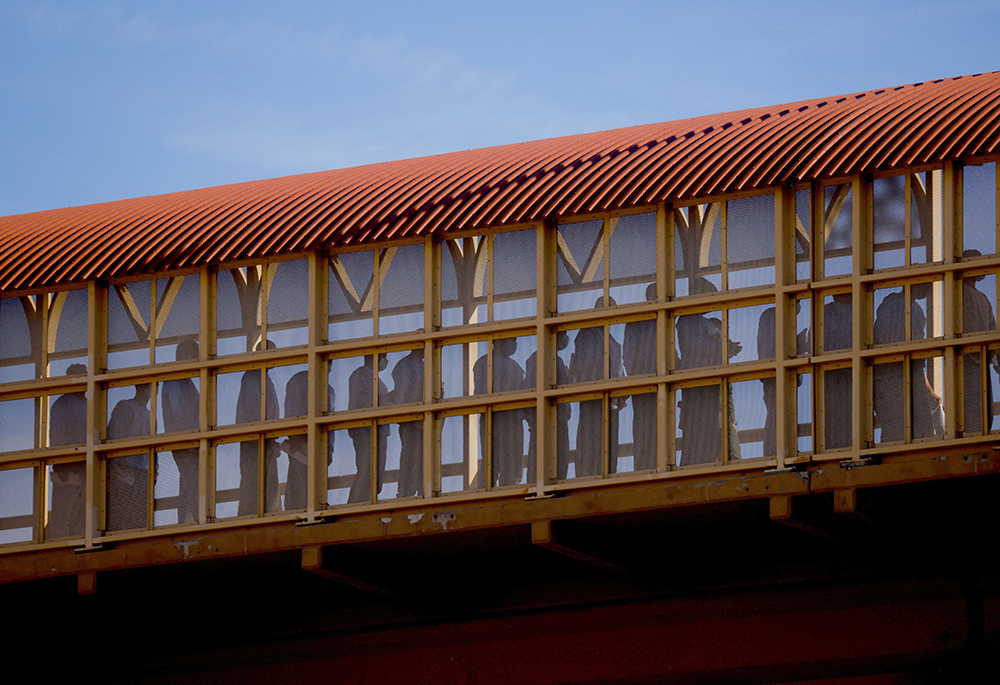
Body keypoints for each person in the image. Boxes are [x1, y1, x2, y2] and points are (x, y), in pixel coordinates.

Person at [676, 279, 741, 464]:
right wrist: (724, 347)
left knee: (712, 431)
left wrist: (726, 347)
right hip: (698, 383)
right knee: (700, 434)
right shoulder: (687, 319)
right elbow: (694, 345)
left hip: (711, 384)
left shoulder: (701, 320)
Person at [872, 285, 937, 442]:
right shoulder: (896, 304)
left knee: (904, 427)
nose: (927, 290)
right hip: (894, 375)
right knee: (903, 427)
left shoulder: (914, 309)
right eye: (925, 285)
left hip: (900, 374)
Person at [568, 298, 623, 477]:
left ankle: (608, 472)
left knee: (609, 439)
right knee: (591, 437)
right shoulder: (587, 333)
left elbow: (617, 367)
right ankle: (589, 473)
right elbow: (588, 365)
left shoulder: (611, 339)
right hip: (594, 396)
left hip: (611, 398)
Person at [757, 303, 810, 457]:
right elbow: (775, 349)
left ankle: (783, 449)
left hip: (778, 376)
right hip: (776, 377)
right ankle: (777, 451)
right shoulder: (773, 317)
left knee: (782, 415)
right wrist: (798, 344)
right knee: (777, 415)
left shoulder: (775, 318)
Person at [236, 340, 280, 515]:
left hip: (261, 439)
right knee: (255, 483)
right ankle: (254, 515)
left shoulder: (260, 375)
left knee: (262, 482)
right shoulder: (254, 376)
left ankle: (262, 513)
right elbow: (256, 412)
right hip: (256, 441)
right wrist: (267, 436)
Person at [474, 338, 525, 486]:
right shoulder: (485, 363)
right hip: (494, 416)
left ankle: (511, 484)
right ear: (499, 343)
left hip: (513, 418)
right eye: (511, 341)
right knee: (493, 454)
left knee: (514, 455)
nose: (514, 344)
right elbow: (481, 391)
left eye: (515, 341)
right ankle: (488, 485)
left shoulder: (515, 366)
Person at [281, 370, 335, 511]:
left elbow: (331, 421)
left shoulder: (328, 388)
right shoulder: (300, 380)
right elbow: (292, 411)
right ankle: (297, 509)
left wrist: (329, 449)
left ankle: (314, 506)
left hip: (319, 441)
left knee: (313, 479)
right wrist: (294, 437)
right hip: (302, 439)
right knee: (299, 478)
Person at [160, 340, 200, 524]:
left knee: (192, 479)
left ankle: (191, 516)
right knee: (190, 478)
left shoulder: (185, 379)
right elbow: (177, 412)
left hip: (188, 441)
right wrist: (189, 439)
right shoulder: (176, 378)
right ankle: (188, 518)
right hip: (185, 442)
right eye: (195, 353)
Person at [48, 364, 88, 538]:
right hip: (68, 466)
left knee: (80, 512)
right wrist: (61, 465)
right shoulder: (63, 404)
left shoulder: (91, 403)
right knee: (64, 511)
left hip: (86, 466)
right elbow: (56, 436)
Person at [525, 332, 571, 479]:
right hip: (545, 417)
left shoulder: (557, 360)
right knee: (541, 455)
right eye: (562, 334)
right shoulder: (539, 359)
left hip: (560, 416)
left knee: (561, 455)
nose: (565, 339)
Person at [106, 384, 152, 530]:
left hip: (141, 472)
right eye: (152, 388)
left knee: (138, 515)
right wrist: (113, 465)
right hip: (124, 468)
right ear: (144, 389)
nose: (154, 394)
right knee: (122, 512)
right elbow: (114, 436)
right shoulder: (125, 408)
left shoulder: (150, 415)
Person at [961, 250, 997, 433]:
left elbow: (993, 331)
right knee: (977, 410)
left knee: (975, 409)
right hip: (971, 361)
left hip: (974, 361)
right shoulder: (971, 296)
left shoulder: (978, 298)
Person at [623, 284, 657, 471]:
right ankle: (645, 466)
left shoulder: (660, 320)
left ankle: (651, 464)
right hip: (644, 382)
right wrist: (636, 377)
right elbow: (629, 355)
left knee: (652, 426)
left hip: (652, 381)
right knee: (645, 426)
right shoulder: (639, 321)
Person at [347, 356, 389, 503]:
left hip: (379, 431)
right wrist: (387, 400)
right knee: (366, 469)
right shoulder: (361, 374)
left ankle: (368, 501)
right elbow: (363, 403)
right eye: (384, 358)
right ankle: (356, 503)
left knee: (376, 472)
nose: (385, 362)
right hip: (366, 430)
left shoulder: (375, 378)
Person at [391, 348, 424, 497]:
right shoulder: (404, 365)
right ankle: (405, 492)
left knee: (422, 457)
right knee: (410, 457)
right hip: (410, 419)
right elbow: (402, 391)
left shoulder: (424, 365)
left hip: (422, 420)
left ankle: (422, 489)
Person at [823, 292, 853, 449]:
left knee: (833, 415)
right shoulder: (855, 312)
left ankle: (835, 447)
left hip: (832, 373)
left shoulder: (824, 312)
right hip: (844, 373)